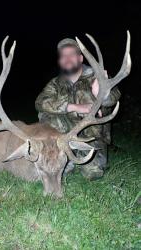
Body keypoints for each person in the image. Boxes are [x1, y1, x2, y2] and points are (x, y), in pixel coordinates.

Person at [35, 38, 121, 180]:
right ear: (60, 61)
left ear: (80, 58)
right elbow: (40, 102)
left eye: (71, 54)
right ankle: (61, 152)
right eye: (63, 55)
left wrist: (103, 94)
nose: (67, 58)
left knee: (93, 173)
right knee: (46, 114)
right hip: (62, 136)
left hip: (91, 137)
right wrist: (73, 107)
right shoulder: (56, 83)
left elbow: (113, 98)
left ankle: (75, 157)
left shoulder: (97, 77)